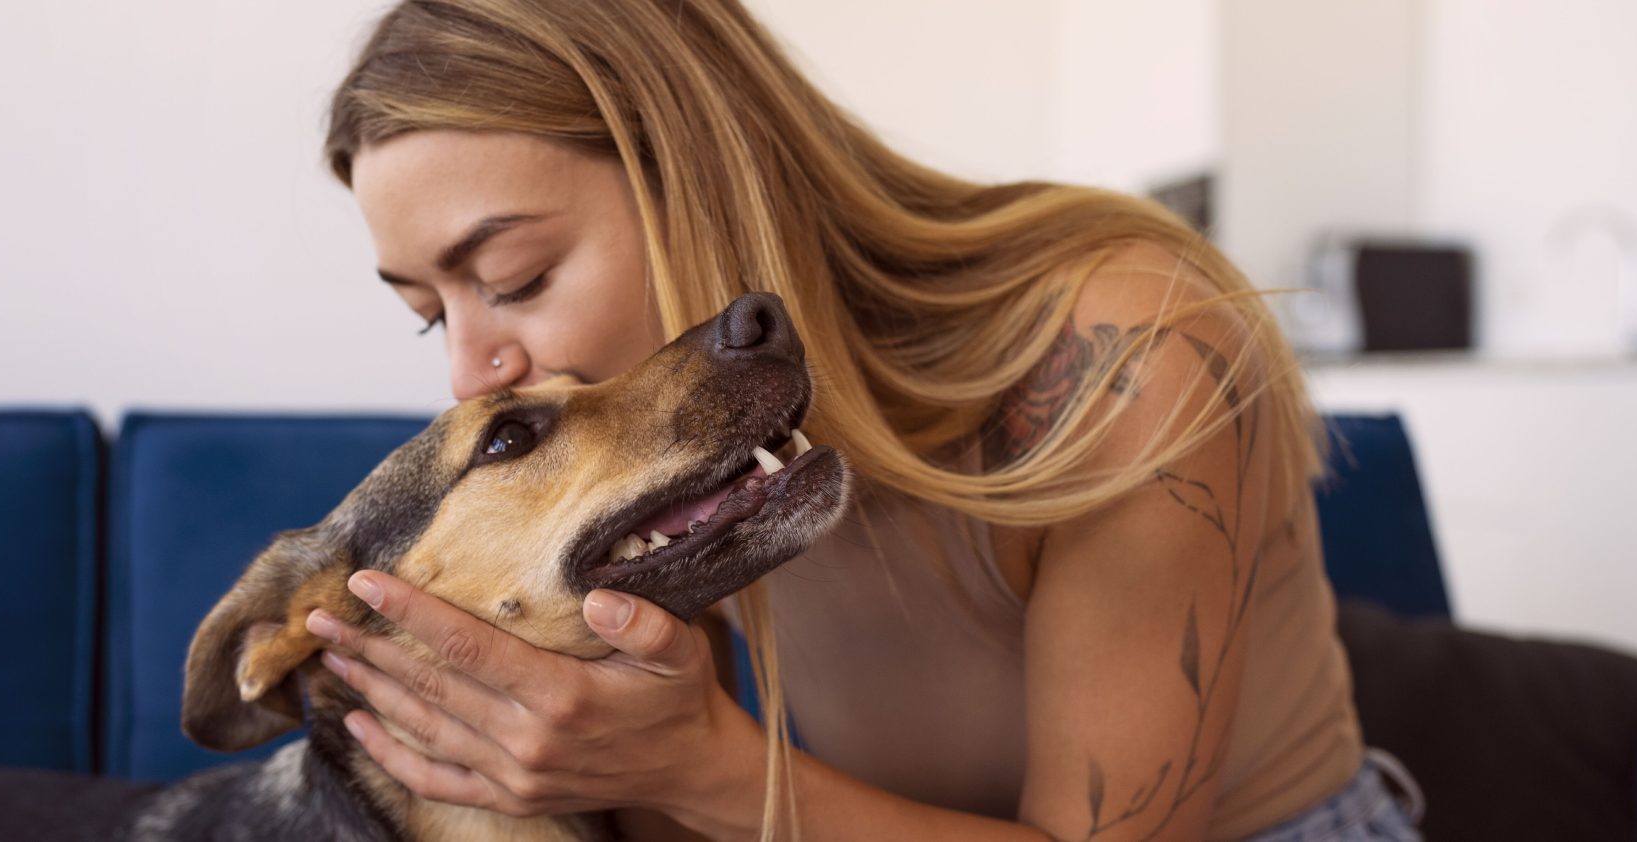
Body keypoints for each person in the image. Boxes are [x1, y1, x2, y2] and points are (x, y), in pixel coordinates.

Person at [299, 1, 1424, 840]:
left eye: (516, 274)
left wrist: (700, 767)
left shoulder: (1121, 345)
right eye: (425, 316)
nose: (471, 372)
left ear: (696, 176)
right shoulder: (685, 461)